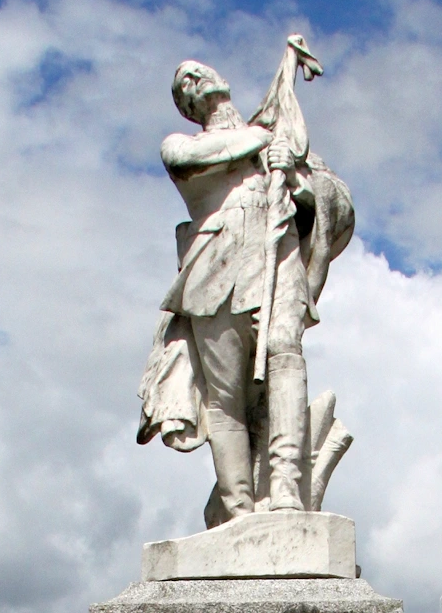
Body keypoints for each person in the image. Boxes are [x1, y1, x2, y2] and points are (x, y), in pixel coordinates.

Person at [138, 47, 354, 527]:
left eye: (196, 71)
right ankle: (238, 514)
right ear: (187, 106)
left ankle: (285, 494)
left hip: (277, 257)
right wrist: (264, 139)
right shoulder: (187, 144)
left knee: (286, 355)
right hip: (214, 273)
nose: (192, 77)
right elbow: (191, 157)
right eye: (183, 84)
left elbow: (336, 203)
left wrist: (298, 184)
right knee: (225, 398)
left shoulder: (282, 147)